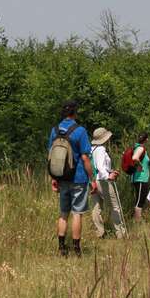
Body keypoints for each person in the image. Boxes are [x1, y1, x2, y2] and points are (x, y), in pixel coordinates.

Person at [47, 100, 98, 257]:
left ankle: (62, 248)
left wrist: (53, 177)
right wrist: (92, 179)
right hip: (78, 178)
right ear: (75, 113)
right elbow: (85, 157)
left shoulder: (55, 130)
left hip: (61, 177)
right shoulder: (80, 131)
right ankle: (76, 250)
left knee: (63, 213)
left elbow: (51, 155)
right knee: (77, 214)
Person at [90, 127, 127, 239]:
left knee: (96, 207)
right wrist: (108, 176)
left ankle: (99, 232)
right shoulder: (101, 149)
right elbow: (101, 167)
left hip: (94, 181)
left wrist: (109, 171)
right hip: (103, 181)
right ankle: (120, 233)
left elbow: (96, 166)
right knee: (115, 207)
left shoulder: (92, 149)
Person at [131, 133, 150, 221]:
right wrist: (140, 165)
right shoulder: (140, 148)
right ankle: (137, 220)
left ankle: (136, 219)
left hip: (141, 178)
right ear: (146, 139)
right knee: (140, 201)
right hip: (140, 178)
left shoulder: (138, 148)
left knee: (140, 199)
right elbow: (135, 158)